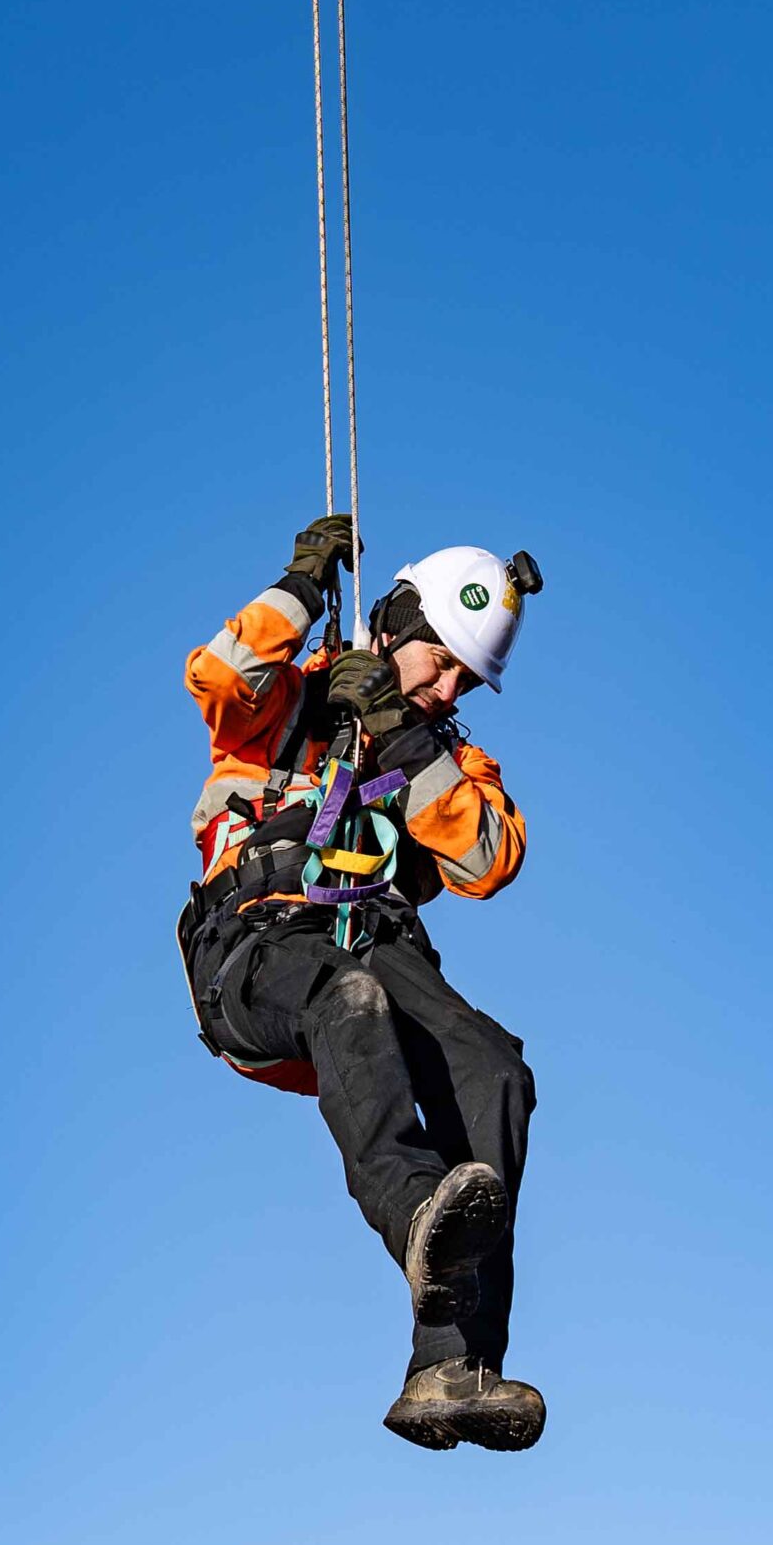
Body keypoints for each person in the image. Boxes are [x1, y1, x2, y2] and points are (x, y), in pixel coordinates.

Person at [177, 514, 547, 1452]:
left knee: (494, 1069)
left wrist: (400, 733)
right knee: (346, 997)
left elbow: (488, 857)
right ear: (395, 623)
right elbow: (218, 675)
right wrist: (301, 586)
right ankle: (417, 1209)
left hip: (374, 944)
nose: (449, 687)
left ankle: (450, 1364)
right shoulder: (284, 703)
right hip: (257, 950)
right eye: (441, 660)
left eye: (467, 679)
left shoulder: (445, 760)